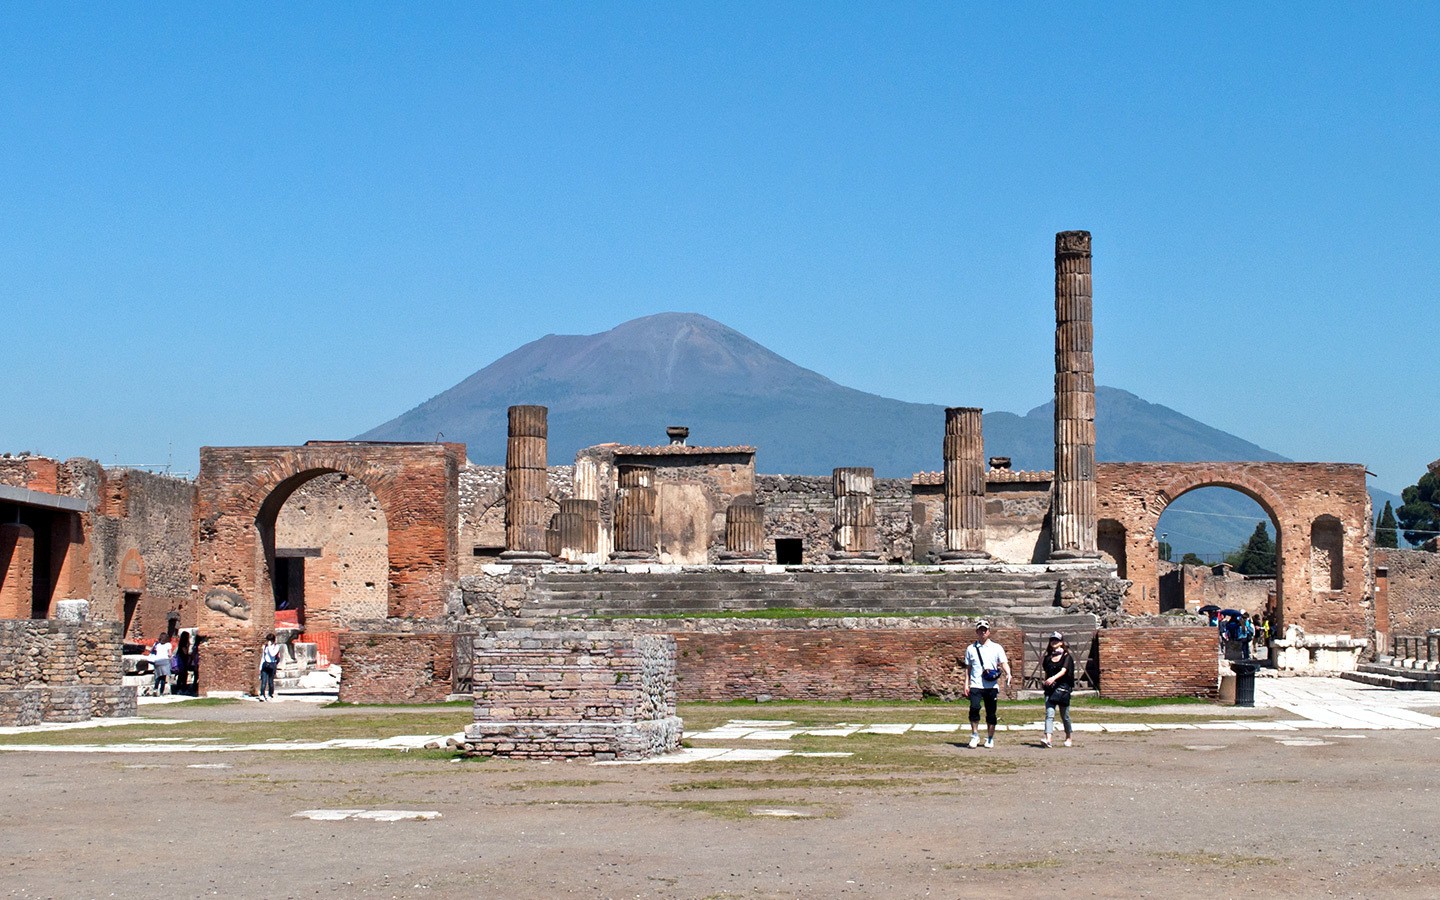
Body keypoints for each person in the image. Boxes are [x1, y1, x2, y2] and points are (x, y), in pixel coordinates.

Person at [962, 620, 1011, 749]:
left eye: (985, 630)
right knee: (974, 708)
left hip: (991, 686)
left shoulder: (996, 647)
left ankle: (990, 738)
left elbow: (1003, 662)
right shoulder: (971, 649)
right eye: (980, 630)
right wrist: (966, 684)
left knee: (991, 713)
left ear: (989, 632)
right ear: (977, 632)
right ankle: (974, 735)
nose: (983, 632)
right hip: (976, 684)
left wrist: (1008, 673)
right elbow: (968, 668)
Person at [1041, 632, 1075, 748]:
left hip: (1063, 690)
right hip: (1050, 689)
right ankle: (1048, 739)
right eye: (1052, 640)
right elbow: (1046, 671)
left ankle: (1069, 736)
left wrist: (1053, 678)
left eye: (1056, 640)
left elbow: (1064, 670)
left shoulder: (1067, 657)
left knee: (1064, 715)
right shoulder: (1047, 658)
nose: (1054, 642)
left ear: (1061, 642)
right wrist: (1046, 681)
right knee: (1049, 714)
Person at [258, 633, 280, 701]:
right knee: (263, 681)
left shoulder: (276, 646)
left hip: (272, 664)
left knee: (270, 682)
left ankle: (270, 694)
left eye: (269, 640)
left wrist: (270, 646)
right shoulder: (265, 647)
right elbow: (263, 657)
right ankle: (262, 694)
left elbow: (272, 654)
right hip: (265, 664)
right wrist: (260, 667)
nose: (268, 642)